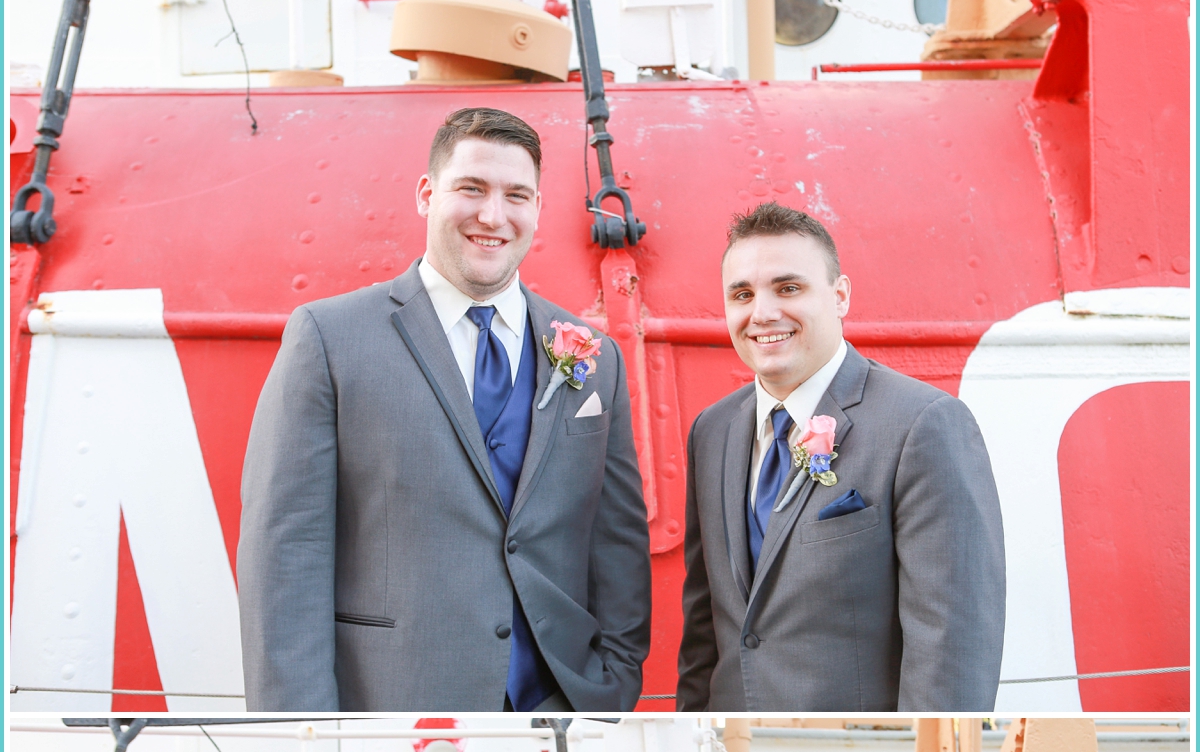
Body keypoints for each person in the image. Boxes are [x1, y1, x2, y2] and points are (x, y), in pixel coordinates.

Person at [237, 104, 650, 711]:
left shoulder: (595, 357)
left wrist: (612, 682)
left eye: (517, 195)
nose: (493, 215)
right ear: (428, 194)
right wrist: (307, 730)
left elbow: (616, 540)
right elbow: (285, 553)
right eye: (471, 189)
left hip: (559, 708)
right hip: (391, 705)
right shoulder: (329, 338)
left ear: (537, 208)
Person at [676, 202, 1005, 710]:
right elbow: (705, 629)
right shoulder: (711, 431)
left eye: (788, 288)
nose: (761, 313)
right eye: (742, 294)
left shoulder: (924, 424)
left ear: (840, 295)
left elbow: (951, 644)